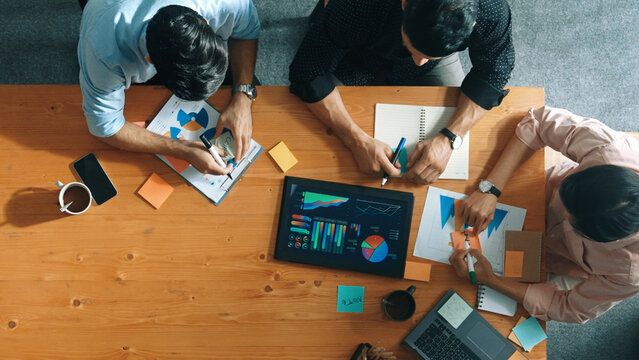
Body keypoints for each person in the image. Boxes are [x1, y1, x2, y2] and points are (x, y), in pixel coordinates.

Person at [289, 0, 514, 184]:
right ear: (405, 3)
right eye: (413, 49)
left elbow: (493, 73)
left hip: (437, 59)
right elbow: (308, 70)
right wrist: (356, 140)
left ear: (473, 24)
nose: (418, 63)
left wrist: (450, 138)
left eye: (426, 55)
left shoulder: (492, 10)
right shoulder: (355, 5)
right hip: (359, 55)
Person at [449, 106, 639, 323]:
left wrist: (490, 279)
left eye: (573, 223)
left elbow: (567, 308)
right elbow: (540, 121)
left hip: (565, 261)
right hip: (536, 190)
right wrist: (492, 189)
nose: (563, 213)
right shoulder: (612, 151)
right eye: (566, 202)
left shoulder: (629, 273)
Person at [78, 0, 260, 175]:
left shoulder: (223, 3)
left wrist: (243, 96)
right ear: (150, 62)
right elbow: (105, 127)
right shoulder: (103, 52)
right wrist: (181, 148)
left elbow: (246, 29)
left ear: (205, 21)